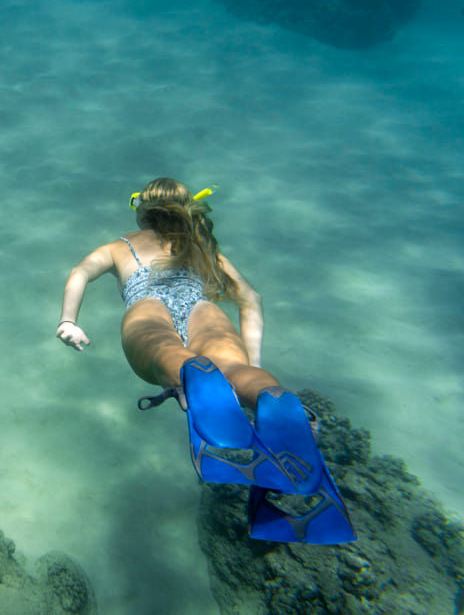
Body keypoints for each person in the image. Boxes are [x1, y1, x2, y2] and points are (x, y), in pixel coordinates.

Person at [56, 178, 354, 544]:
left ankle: (188, 375)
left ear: (141, 210)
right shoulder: (203, 249)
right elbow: (251, 299)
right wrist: (255, 365)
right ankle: (268, 393)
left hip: (146, 306)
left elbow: (80, 271)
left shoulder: (122, 246)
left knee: (169, 354)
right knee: (237, 371)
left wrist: (68, 321)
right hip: (202, 309)